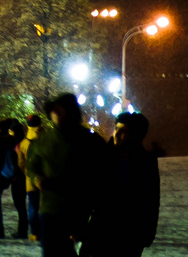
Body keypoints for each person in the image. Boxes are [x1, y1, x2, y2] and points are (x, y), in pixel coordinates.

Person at [25, 93, 107, 257]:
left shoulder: (90, 142)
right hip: (50, 210)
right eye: (53, 111)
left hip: (80, 209)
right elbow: (32, 166)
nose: (55, 114)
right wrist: (37, 179)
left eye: (59, 110)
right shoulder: (44, 141)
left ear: (70, 111)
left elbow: (103, 177)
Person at [82, 113, 159, 257]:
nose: (117, 134)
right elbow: (89, 193)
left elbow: (151, 201)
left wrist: (146, 234)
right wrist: (79, 225)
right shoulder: (104, 156)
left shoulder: (146, 163)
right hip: (100, 231)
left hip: (129, 235)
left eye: (124, 130)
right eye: (116, 128)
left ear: (136, 135)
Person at [19, 114, 41, 240]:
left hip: (30, 180)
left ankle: (34, 232)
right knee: (44, 206)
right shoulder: (47, 139)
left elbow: (21, 163)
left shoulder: (23, 143)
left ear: (27, 125)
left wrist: (27, 173)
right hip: (46, 179)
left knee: (32, 206)